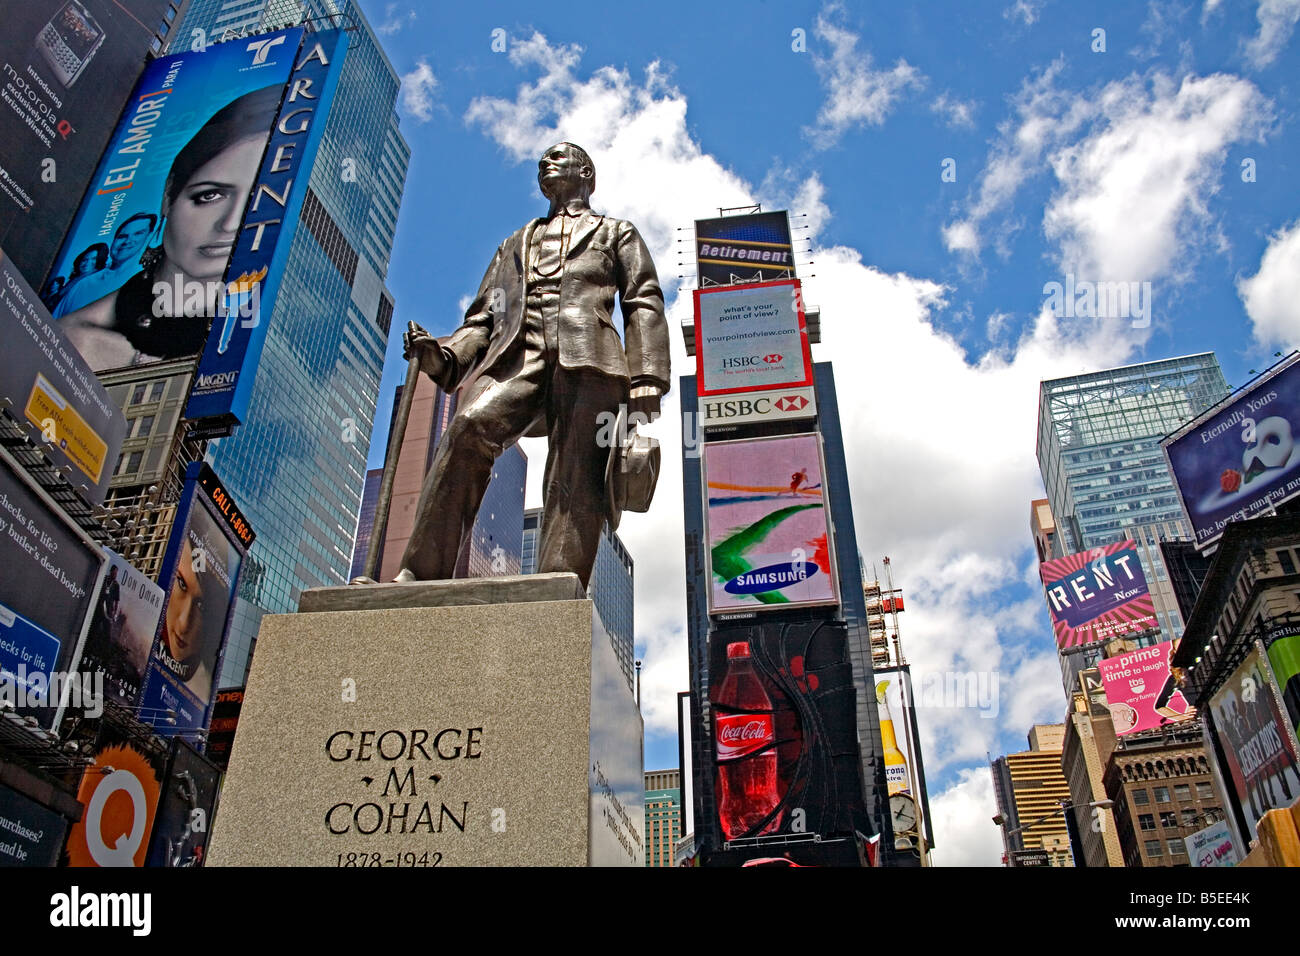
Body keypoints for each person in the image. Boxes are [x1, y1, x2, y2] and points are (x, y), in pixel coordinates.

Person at [385, 142, 669, 589]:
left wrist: (648, 376)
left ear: (586, 171)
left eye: (558, 158)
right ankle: (421, 573)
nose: (546, 164)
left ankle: (559, 580)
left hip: (591, 358)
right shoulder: (515, 243)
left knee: (577, 469)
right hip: (522, 356)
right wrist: (442, 358)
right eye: (541, 161)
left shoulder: (617, 233)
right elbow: (482, 319)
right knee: (467, 429)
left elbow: (643, 300)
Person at [58, 85, 283, 371]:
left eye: (256, 202)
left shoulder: (247, 358)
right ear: (169, 196)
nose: (229, 224)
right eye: (209, 195)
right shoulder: (73, 339)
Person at [53, 215, 155, 317]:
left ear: (149, 237)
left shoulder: (147, 282)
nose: (127, 241)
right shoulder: (83, 284)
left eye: (138, 234)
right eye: (122, 236)